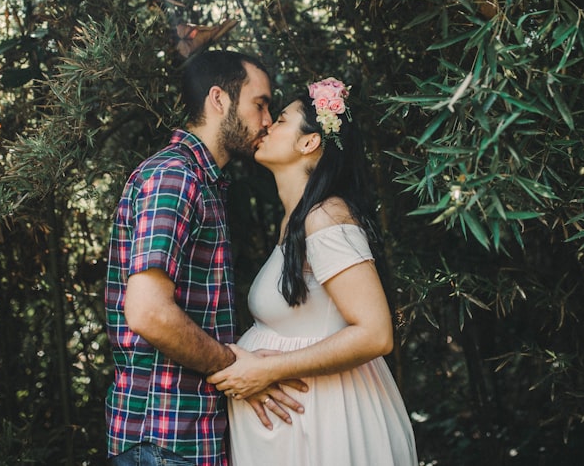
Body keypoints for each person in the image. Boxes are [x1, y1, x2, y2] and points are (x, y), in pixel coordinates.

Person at [104, 50, 305, 466]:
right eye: (260, 104)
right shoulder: (175, 178)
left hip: (186, 438)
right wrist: (238, 367)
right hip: (163, 438)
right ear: (219, 99)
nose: (266, 120)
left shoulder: (204, 182)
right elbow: (148, 313)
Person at [207, 77, 418, 465]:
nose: (267, 124)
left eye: (282, 119)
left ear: (308, 142)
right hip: (302, 424)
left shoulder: (326, 218)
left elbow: (375, 334)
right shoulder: (296, 221)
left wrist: (270, 369)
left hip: (326, 424)